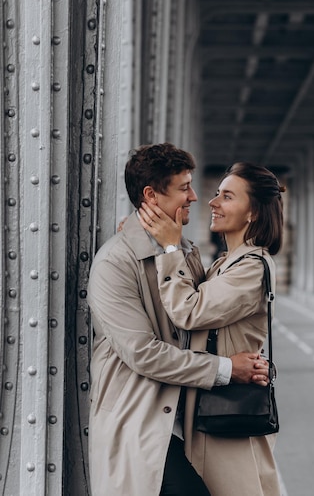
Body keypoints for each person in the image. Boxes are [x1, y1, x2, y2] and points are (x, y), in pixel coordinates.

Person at [87, 144, 270, 496]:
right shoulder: (115, 263)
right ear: (151, 196)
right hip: (140, 423)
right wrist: (227, 369)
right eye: (184, 187)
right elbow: (144, 353)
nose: (194, 197)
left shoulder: (186, 251)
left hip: (187, 423)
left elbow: (200, 318)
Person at [139, 161, 285, 496]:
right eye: (217, 193)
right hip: (209, 409)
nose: (212, 202)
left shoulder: (251, 268)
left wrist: (170, 247)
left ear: (253, 213)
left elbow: (188, 310)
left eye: (228, 196)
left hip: (225, 415)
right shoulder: (226, 263)